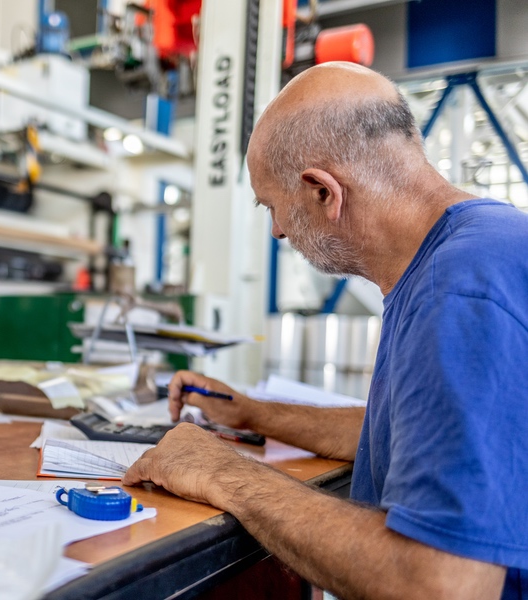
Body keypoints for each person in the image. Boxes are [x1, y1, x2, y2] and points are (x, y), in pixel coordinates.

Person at [123, 62, 528, 599]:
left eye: (273, 206)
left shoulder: (456, 292)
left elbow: (438, 586)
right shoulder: (482, 246)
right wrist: (251, 413)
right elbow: (411, 433)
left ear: (323, 191)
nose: (277, 230)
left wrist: (224, 473)